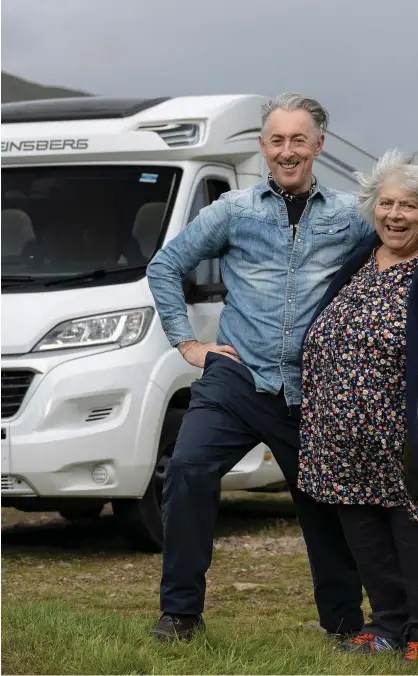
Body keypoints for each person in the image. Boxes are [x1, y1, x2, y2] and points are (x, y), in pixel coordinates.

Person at [146, 92, 373, 642]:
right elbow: (165, 266)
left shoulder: (351, 217)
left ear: (318, 145)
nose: (287, 151)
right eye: (277, 140)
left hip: (311, 388)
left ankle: (343, 627)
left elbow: (393, 254)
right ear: (262, 146)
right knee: (188, 469)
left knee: (324, 503)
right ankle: (180, 616)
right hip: (235, 377)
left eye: (299, 140)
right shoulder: (233, 212)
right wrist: (188, 345)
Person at [298, 149, 418, 662]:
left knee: (409, 530)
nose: (395, 215)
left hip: (400, 435)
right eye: (387, 203)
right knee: (364, 535)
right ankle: (387, 624)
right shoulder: (362, 259)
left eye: (410, 205)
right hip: (340, 436)